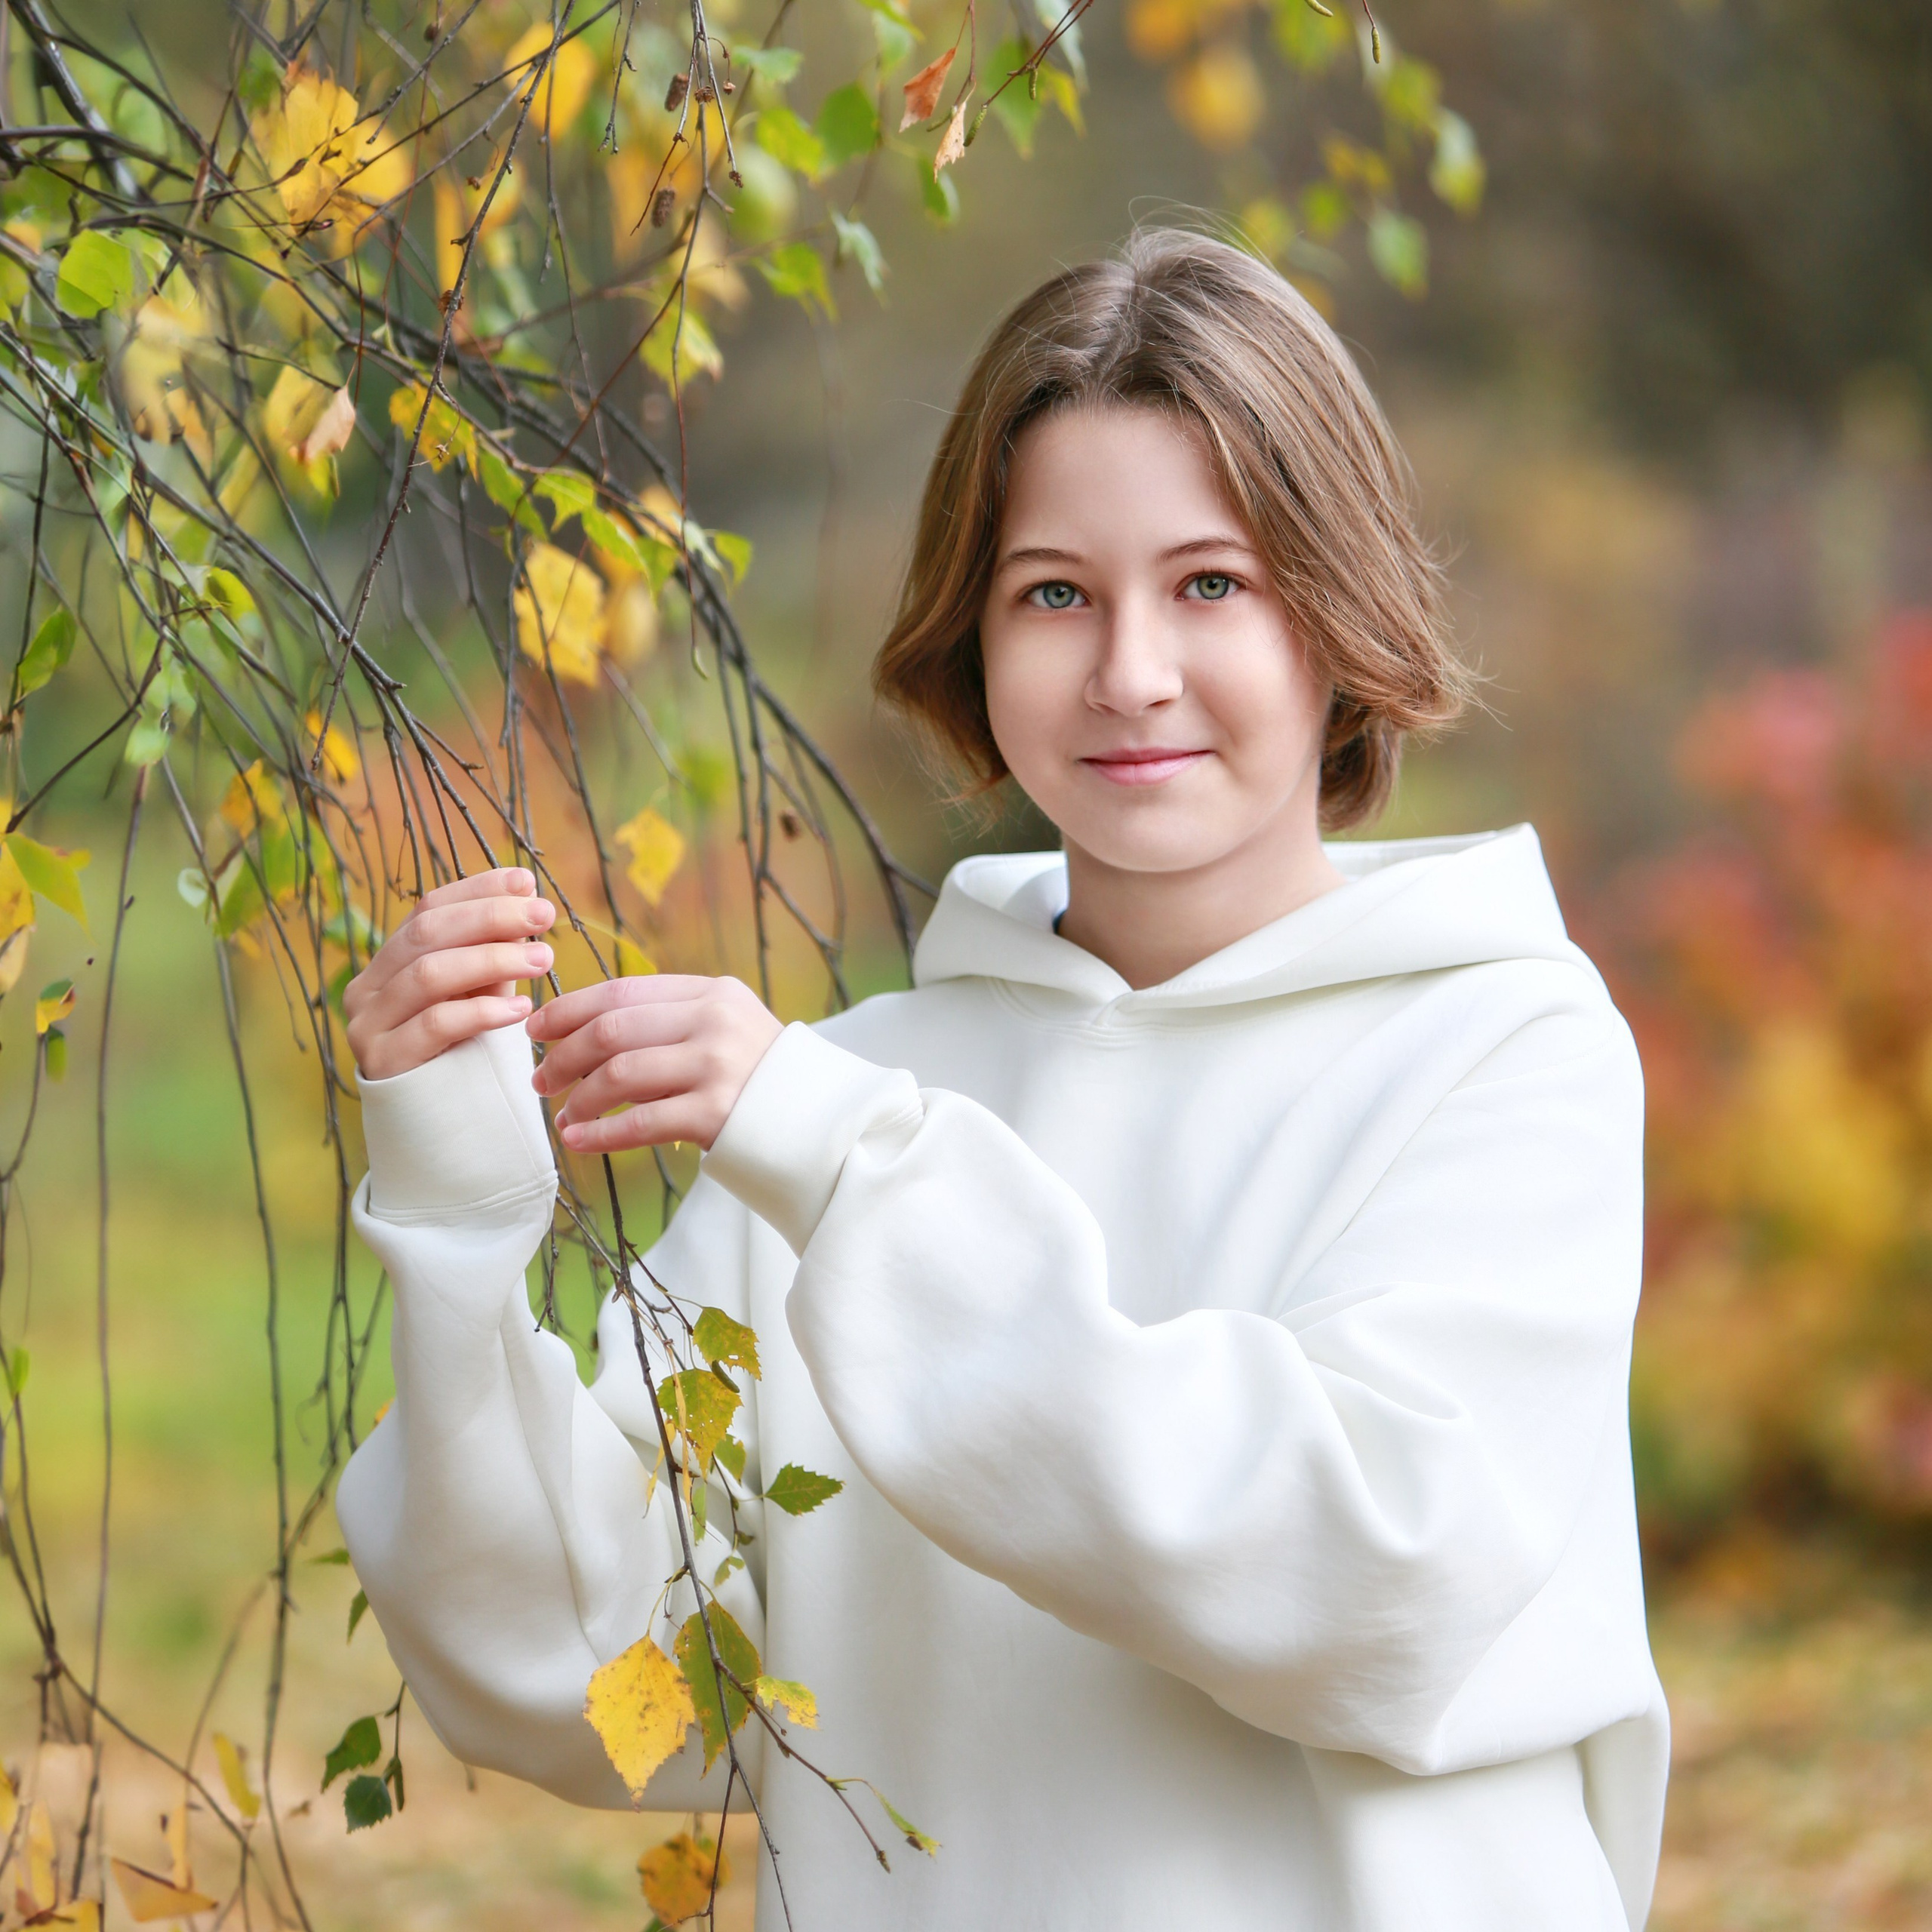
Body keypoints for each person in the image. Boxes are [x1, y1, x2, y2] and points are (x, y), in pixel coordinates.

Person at [336, 229, 1668, 1931]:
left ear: (1337, 611)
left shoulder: (1496, 1050)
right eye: (1053, 590)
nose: (1127, 671)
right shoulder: (850, 1096)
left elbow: (1368, 1570)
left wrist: (834, 1156)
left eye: (1211, 583)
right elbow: (579, 1669)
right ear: (970, 633)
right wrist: (453, 1194)